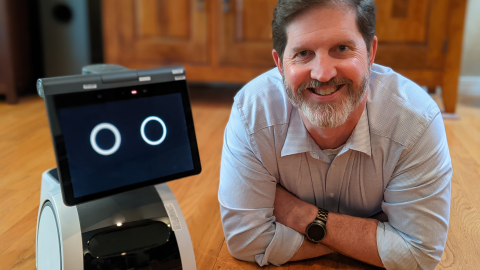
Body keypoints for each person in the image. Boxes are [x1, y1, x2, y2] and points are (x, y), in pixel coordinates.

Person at [218, 0, 452, 269]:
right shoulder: (252, 115)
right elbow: (247, 241)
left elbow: (418, 254)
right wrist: (376, 238)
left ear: (371, 53)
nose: (323, 73)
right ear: (280, 65)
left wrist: (297, 213)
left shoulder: (416, 122)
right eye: (304, 53)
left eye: (341, 48)